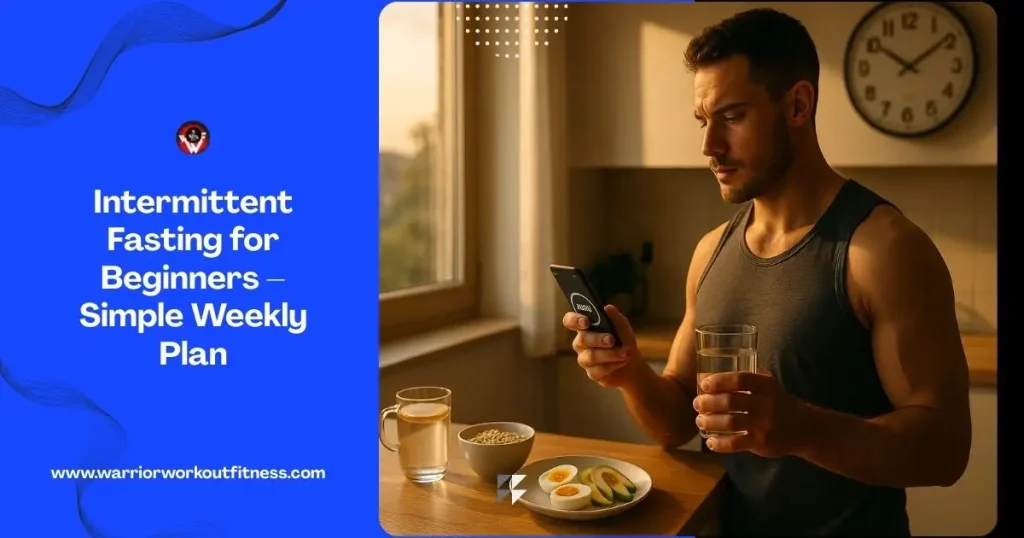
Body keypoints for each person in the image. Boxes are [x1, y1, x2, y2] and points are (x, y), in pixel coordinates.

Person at [561, 8, 972, 537]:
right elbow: (677, 424)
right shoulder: (711, 251)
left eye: (732, 117)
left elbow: (945, 451)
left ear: (798, 104)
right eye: (702, 121)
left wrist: (801, 428)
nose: (709, 146)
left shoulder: (882, 249)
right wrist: (630, 374)